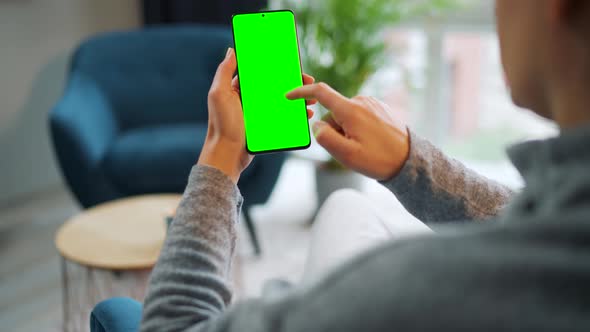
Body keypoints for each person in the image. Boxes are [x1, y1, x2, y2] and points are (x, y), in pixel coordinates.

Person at [91, 0, 590, 331]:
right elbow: (531, 220)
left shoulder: (407, 291)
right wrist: (409, 161)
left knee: (116, 315)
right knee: (347, 205)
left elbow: (173, 323)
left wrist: (221, 155)